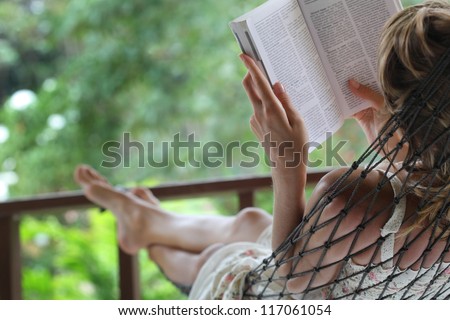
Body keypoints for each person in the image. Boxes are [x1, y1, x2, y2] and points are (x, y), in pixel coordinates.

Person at [74, 1, 450, 299]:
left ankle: (147, 238)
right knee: (251, 222)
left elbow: (289, 280)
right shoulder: (432, 198)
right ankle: (145, 222)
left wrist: (288, 165)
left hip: (274, 297)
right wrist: (382, 135)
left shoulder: (348, 199)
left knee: (218, 258)